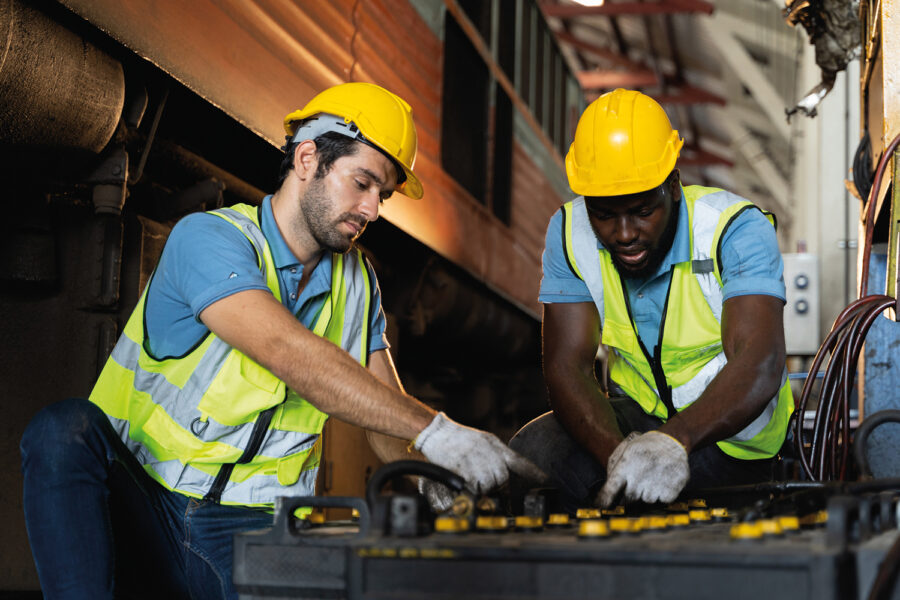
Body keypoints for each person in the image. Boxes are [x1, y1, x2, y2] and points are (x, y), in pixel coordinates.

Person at [21, 82, 541, 600]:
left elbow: (385, 413)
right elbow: (287, 351)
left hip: (250, 529)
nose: (373, 209)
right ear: (309, 158)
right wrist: (437, 429)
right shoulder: (209, 238)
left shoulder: (357, 281)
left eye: (381, 194)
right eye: (362, 183)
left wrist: (430, 475)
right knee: (62, 431)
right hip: (145, 503)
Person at [509, 88, 793, 511]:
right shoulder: (568, 235)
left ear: (674, 186)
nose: (624, 233)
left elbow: (760, 360)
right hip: (637, 433)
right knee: (534, 446)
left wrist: (675, 441)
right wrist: (620, 459)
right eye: (605, 214)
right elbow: (567, 367)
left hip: (732, 443)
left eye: (643, 211)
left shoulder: (733, 229)